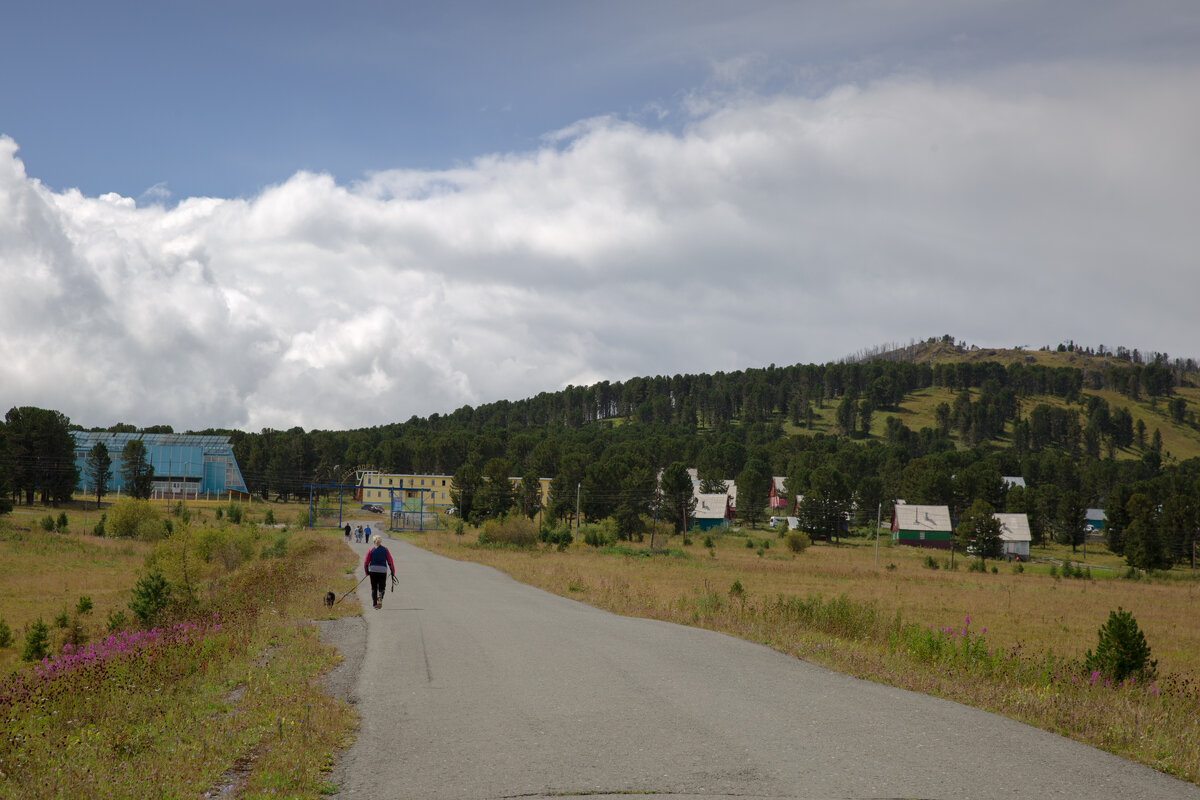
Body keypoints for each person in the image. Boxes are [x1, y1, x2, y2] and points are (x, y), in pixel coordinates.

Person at [364, 535, 395, 610]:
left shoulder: (371, 550)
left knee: (374, 588)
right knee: (382, 587)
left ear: (373, 541)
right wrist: (392, 571)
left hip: (373, 570)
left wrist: (367, 571)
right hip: (382, 570)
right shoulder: (385, 550)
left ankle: (375, 604)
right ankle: (380, 594)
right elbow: (390, 561)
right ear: (380, 541)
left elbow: (366, 562)